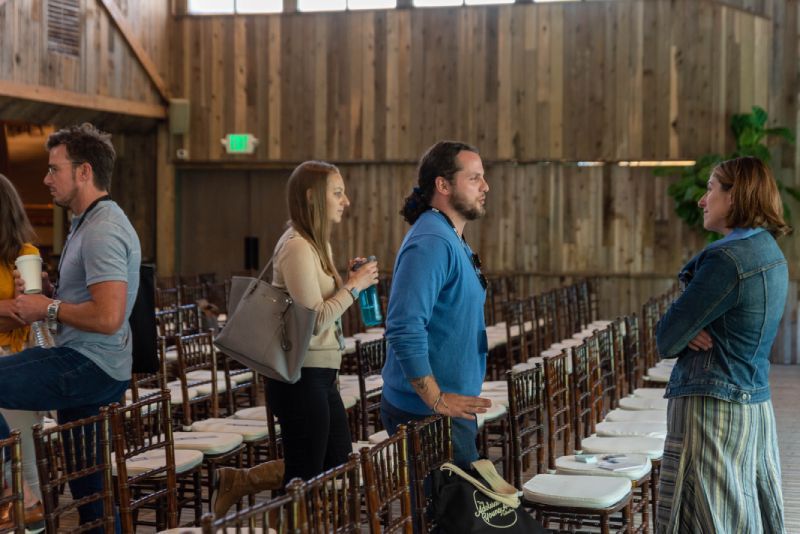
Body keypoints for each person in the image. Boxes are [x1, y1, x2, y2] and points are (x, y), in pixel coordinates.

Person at [212, 160, 378, 517]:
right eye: (337, 193)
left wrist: (347, 281)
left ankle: (241, 482)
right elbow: (314, 320)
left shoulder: (319, 246)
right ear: (312, 197)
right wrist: (354, 286)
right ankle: (277, 515)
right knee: (307, 475)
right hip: (299, 378)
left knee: (333, 463)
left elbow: (325, 307)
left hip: (322, 375)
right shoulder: (296, 246)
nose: (345, 201)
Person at [0, 123, 141, 531]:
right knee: (91, 493)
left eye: (53, 169)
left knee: (91, 488)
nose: (46, 178)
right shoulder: (87, 221)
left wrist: (49, 306)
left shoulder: (103, 230)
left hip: (88, 363)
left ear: (84, 172)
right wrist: (47, 295)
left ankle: (16, 488)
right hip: (95, 362)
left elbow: (108, 316)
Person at [655, 156, 788, 533]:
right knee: (741, 512)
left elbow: (666, 338)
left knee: (708, 515)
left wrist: (684, 327)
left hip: (713, 408)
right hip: (752, 402)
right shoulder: (768, 251)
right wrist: (688, 326)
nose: (702, 199)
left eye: (711, 188)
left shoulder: (726, 260)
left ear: (735, 196)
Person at [380, 140, 492, 468]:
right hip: (427, 413)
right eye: (474, 178)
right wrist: (436, 399)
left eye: (483, 177)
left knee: (451, 512)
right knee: (449, 515)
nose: (485, 186)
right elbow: (403, 326)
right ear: (442, 185)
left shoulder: (449, 236)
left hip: (448, 408)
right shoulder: (431, 241)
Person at [0, 173, 45, 528]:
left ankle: (33, 522)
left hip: (13, 358)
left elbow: (24, 314)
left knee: (23, 458)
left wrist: (19, 304)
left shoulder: (26, 256)